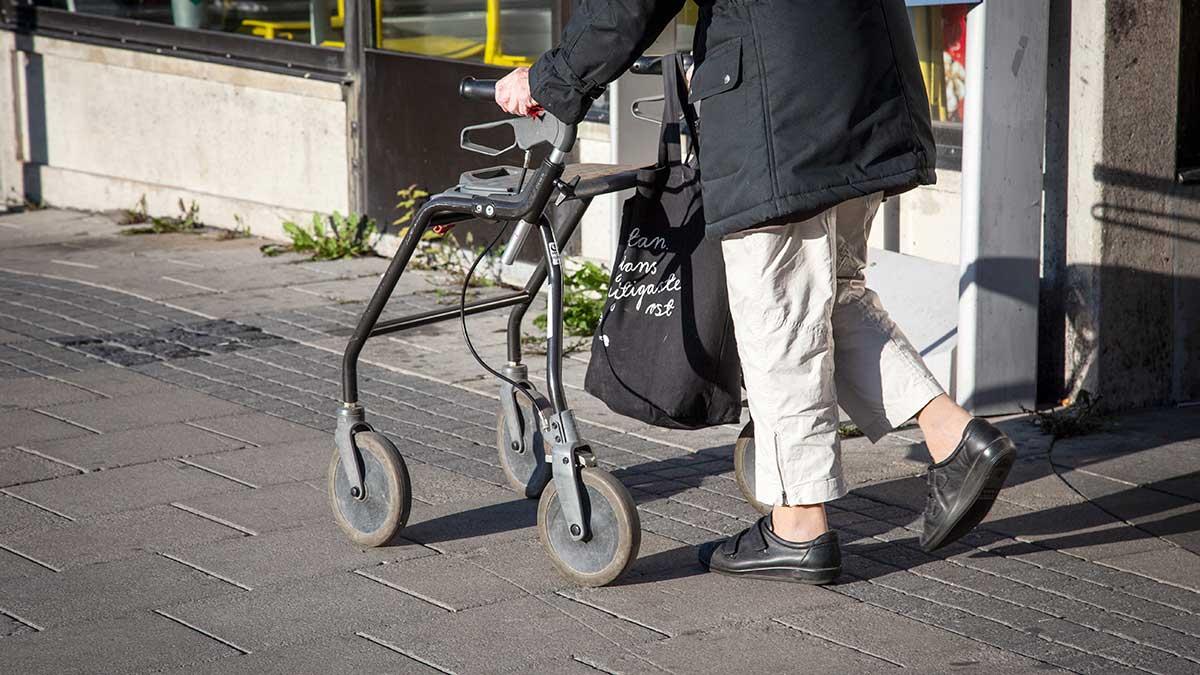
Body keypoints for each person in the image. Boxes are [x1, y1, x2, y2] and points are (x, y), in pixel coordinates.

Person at [494, 0, 1017, 585]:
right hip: (865, 80)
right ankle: (956, 439)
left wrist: (553, 77)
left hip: (779, 107)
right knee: (830, 295)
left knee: (782, 314)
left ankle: (798, 525)